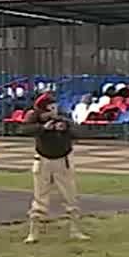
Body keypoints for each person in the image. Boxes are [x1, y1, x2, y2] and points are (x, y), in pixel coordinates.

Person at [22, 92, 90, 243]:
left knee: (70, 197)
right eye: (50, 108)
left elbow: (80, 132)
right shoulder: (34, 118)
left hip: (63, 160)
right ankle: (34, 232)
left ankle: (75, 230)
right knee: (40, 197)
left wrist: (65, 128)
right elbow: (24, 129)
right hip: (43, 160)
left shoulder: (63, 118)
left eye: (54, 107)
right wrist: (43, 128)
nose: (54, 110)